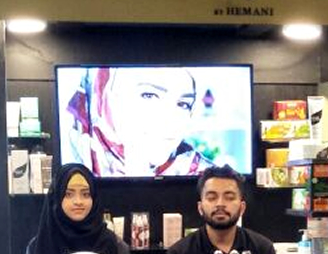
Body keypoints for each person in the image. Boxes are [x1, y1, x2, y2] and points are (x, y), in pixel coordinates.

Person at [64, 67, 217, 177]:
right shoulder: (75, 166)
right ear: (108, 101)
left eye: (183, 104)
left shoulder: (205, 176)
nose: (171, 119)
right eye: (149, 95)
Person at [162, 165, 277, 254]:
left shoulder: (262, 249)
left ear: (242, 208)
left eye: (229, 198)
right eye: (212, 198)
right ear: (200, 207)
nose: (220, 204)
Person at [26, 163, 134, 254]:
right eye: (69, 194)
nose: (78, 201)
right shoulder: (39, 247)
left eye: (85, 194)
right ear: (57, 198)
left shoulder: (114, 245)